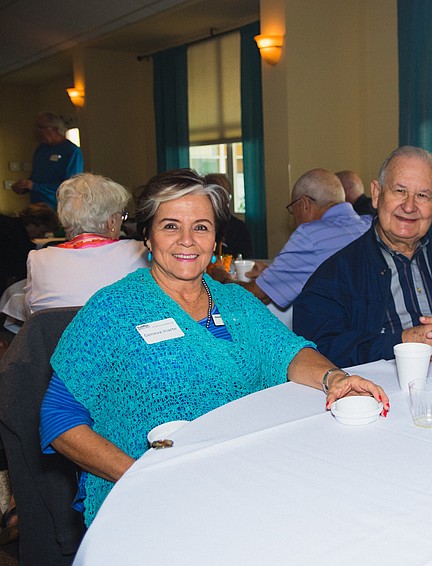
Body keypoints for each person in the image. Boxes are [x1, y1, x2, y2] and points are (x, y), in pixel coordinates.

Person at [39, 169, 389, 526]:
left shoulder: (237, 302)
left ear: (216, 238)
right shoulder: (113, 309)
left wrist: (336, 378)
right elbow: (59, 419)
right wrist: (139, 477)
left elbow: (290, 352)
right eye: (171, 226)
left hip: (242, 478)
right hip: (154, 499)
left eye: (201, 227)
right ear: (147, 236)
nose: (187, 240)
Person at [293, 146, 432, 367]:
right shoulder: (336, 274)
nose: (409, 206)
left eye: (422, 195)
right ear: (377, 195)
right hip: (385, 390)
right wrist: (402, 342)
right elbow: (318, 348)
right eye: (400, 191)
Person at [234, 168, 373, 310]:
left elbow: (256, 295)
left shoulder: (310, 236)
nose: (294, 221)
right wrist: (274, 273)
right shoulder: (370, 225)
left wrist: (221, 280)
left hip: (328, 329)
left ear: (304, 204)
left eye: (294, 212)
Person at [24, 173, 149, 315]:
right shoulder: (139, 251)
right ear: (112, 222)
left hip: (58, 337)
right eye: (122, 216)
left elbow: (32, 313)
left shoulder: (38, 259)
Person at [12, 112, 84, 209]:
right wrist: (24, 187)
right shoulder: (41, 150)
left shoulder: (71, 151)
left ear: (55, 129)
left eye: (41, 127)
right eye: (36, 127)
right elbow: (37, 178)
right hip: (38, 208)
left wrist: (35, 187)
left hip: (58, 209)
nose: (37, 131)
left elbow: (70, 186)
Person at [0, 203, 58, 293]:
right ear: (35, 223)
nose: (41, 236)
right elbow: (20, 270)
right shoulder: (19, 240)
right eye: (42, 231)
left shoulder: (8, 224)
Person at [204, 173, 253, 259]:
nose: (224, 201)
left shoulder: (238, 227)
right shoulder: (199, 225)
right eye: (219, 196)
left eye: (226, 196)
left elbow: (245, 259)